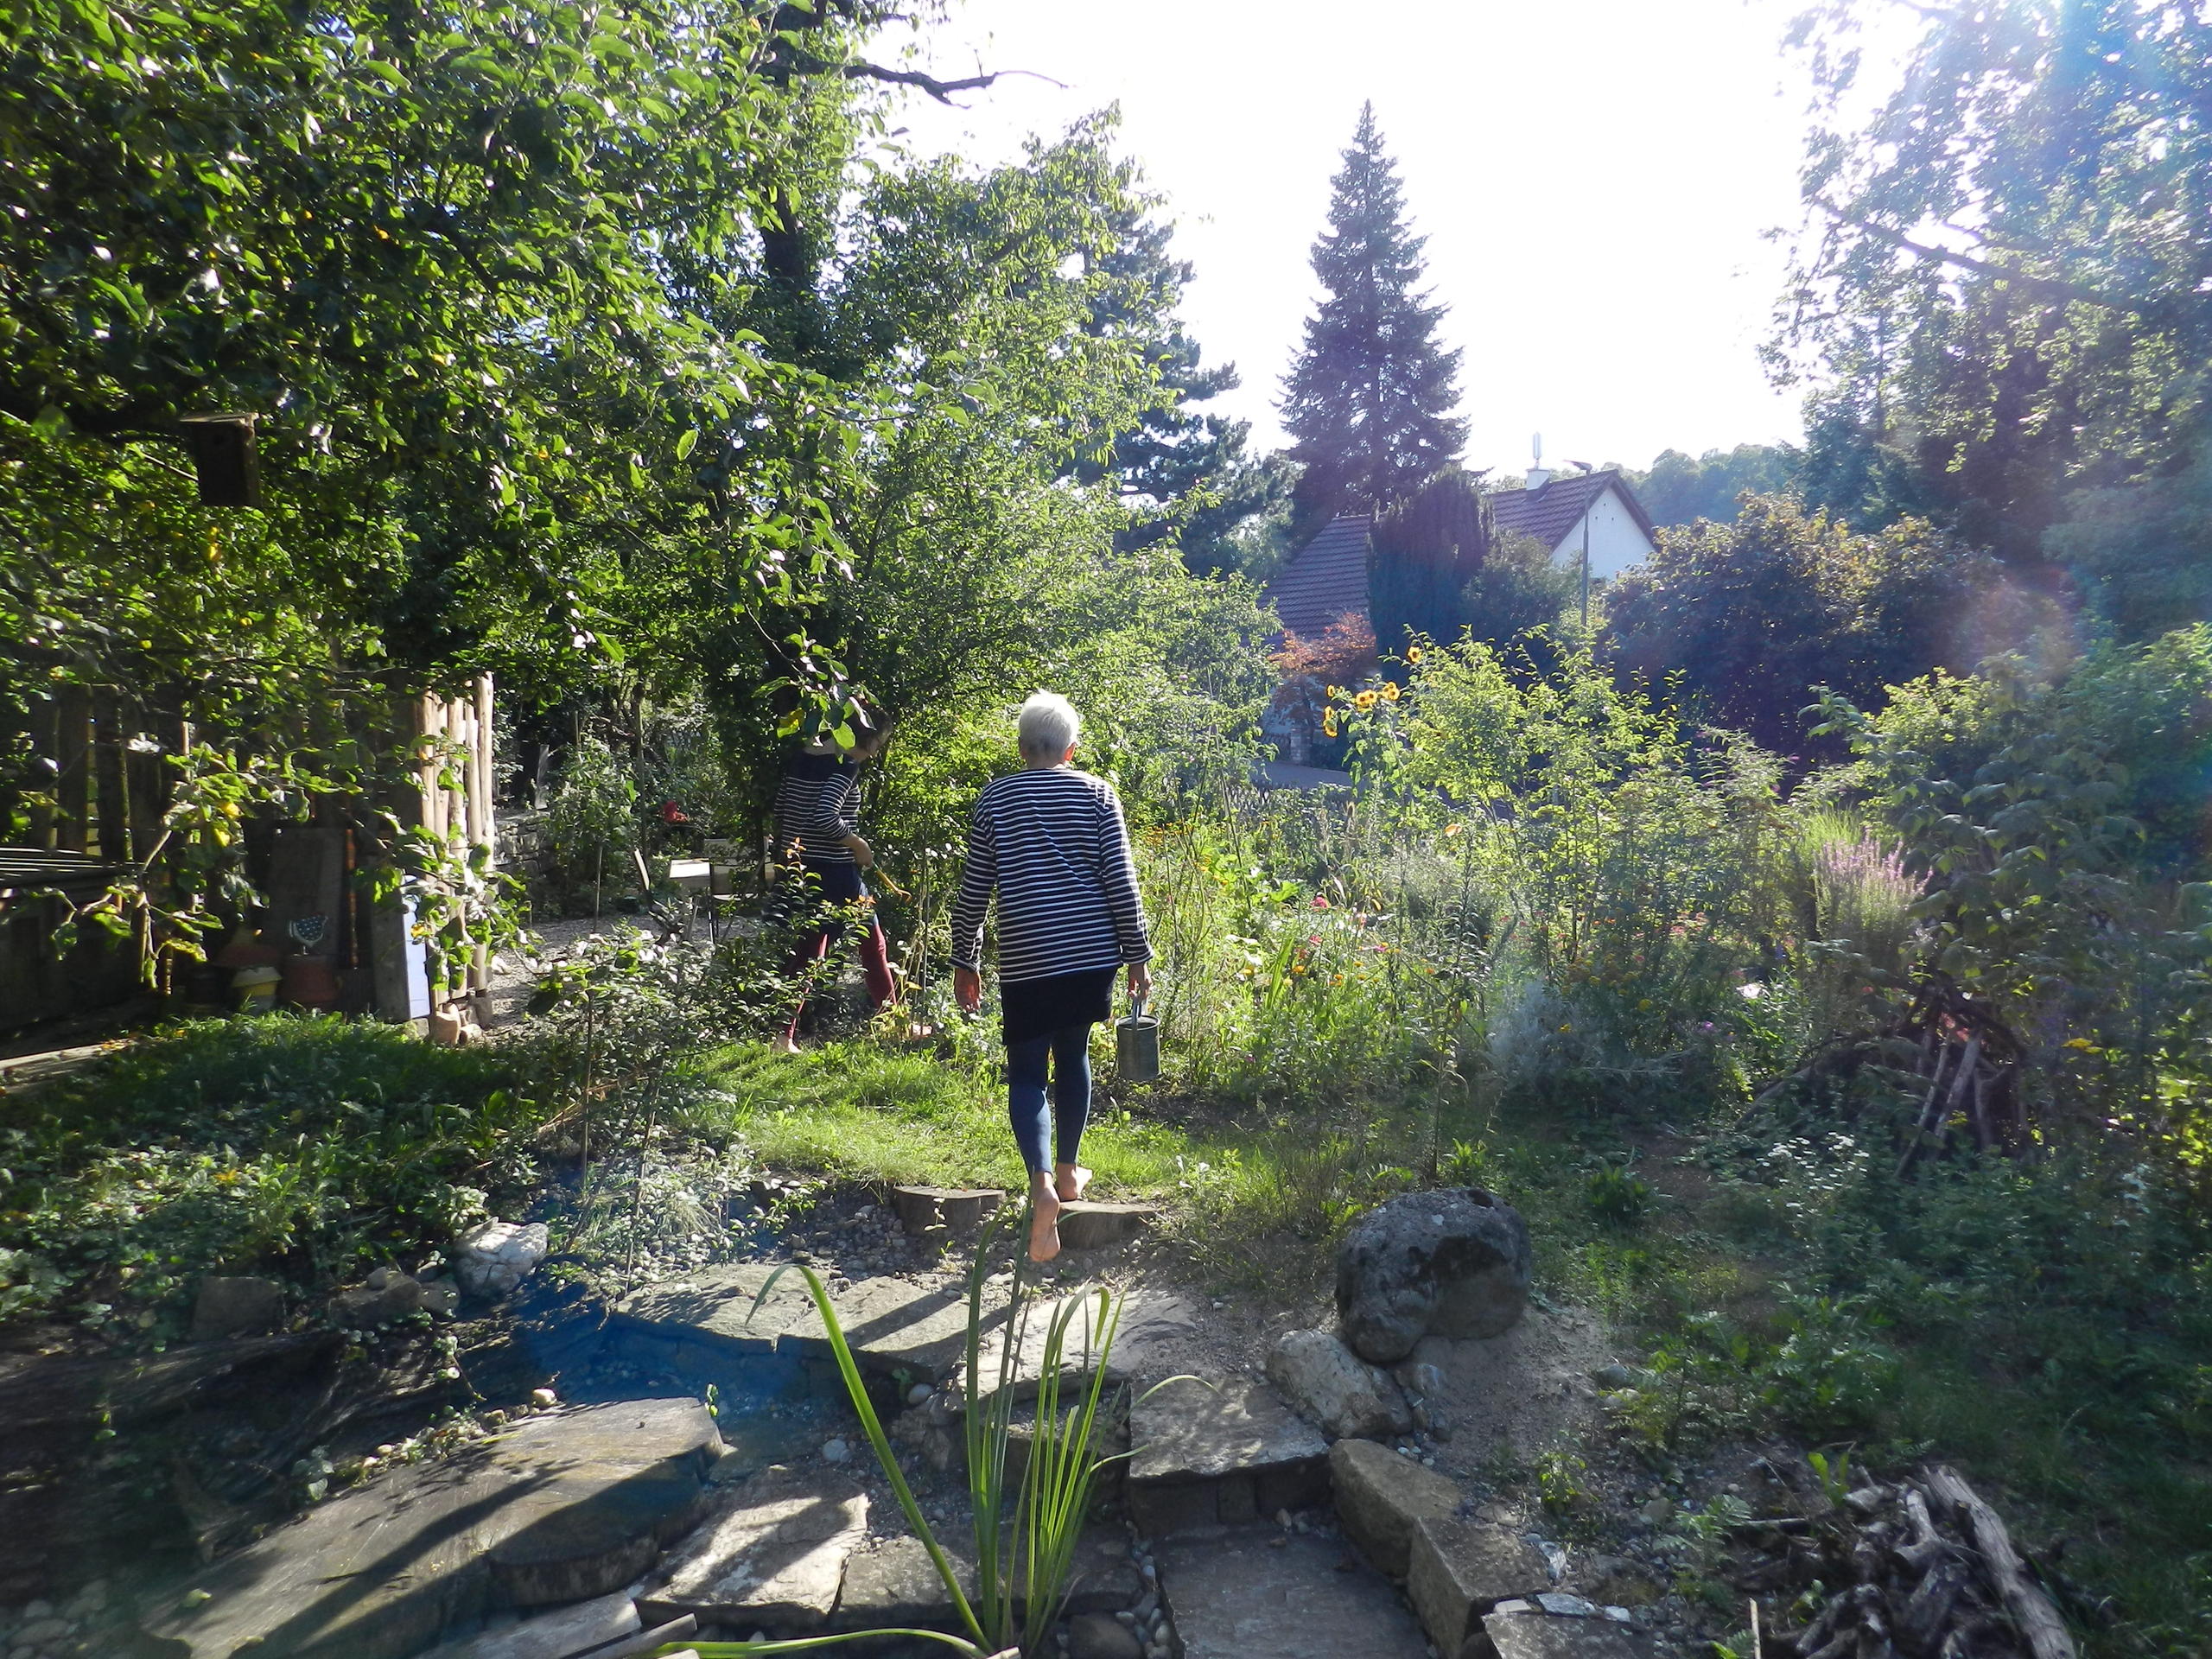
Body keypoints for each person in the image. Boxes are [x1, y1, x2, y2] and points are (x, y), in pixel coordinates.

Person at [951, 691, 1152, 1262]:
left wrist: (964, 959)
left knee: (1026, 1073)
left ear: (1021, 747)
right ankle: (1068, 1176)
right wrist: (1137, 954)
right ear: (1071, 748)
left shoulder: (996, 798)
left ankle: (1039, 1184)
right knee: (1075, 1056)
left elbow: (974, 891)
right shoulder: (1096, 794)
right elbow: (1121, 880)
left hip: (1027, 953)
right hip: (1089, 953)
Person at [772, 710, 897, 1053]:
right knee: (873, 945)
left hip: (800, 867)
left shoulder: (802, 757)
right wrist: (859, 845)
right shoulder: (845, 765)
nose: (874, 753)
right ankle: (895, 1023)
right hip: (837, 872)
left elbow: (782, 811)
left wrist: (787, 858)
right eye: (877, 744)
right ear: (866, 737)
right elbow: (826, 816)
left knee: (809, 951)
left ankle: (783, 1036)